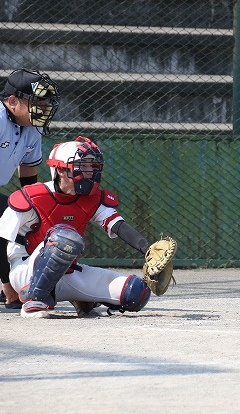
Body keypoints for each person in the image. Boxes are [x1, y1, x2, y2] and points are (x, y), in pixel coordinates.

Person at [1, 135, 157, 318]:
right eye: (82, 166)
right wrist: (7, 283)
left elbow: (118, 225)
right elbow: (1, 238)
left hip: (66, 273)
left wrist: (148, 250)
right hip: (26, 273)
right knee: (64, 238)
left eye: (92, 166)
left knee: (135, 292)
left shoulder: (92, 199)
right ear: (61, 170)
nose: (90, 171)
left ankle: (78, 297)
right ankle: (34, 301)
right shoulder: (32, 197)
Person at [0, 68, 60, 310]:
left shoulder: (32, 127)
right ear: (12, 101)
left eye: (46, 102)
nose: (43, 108)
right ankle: (9, 288)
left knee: (31, 218)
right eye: (37, 102)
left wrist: (37, 212)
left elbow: (28, 178)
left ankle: (28, 282)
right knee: (5, 219)